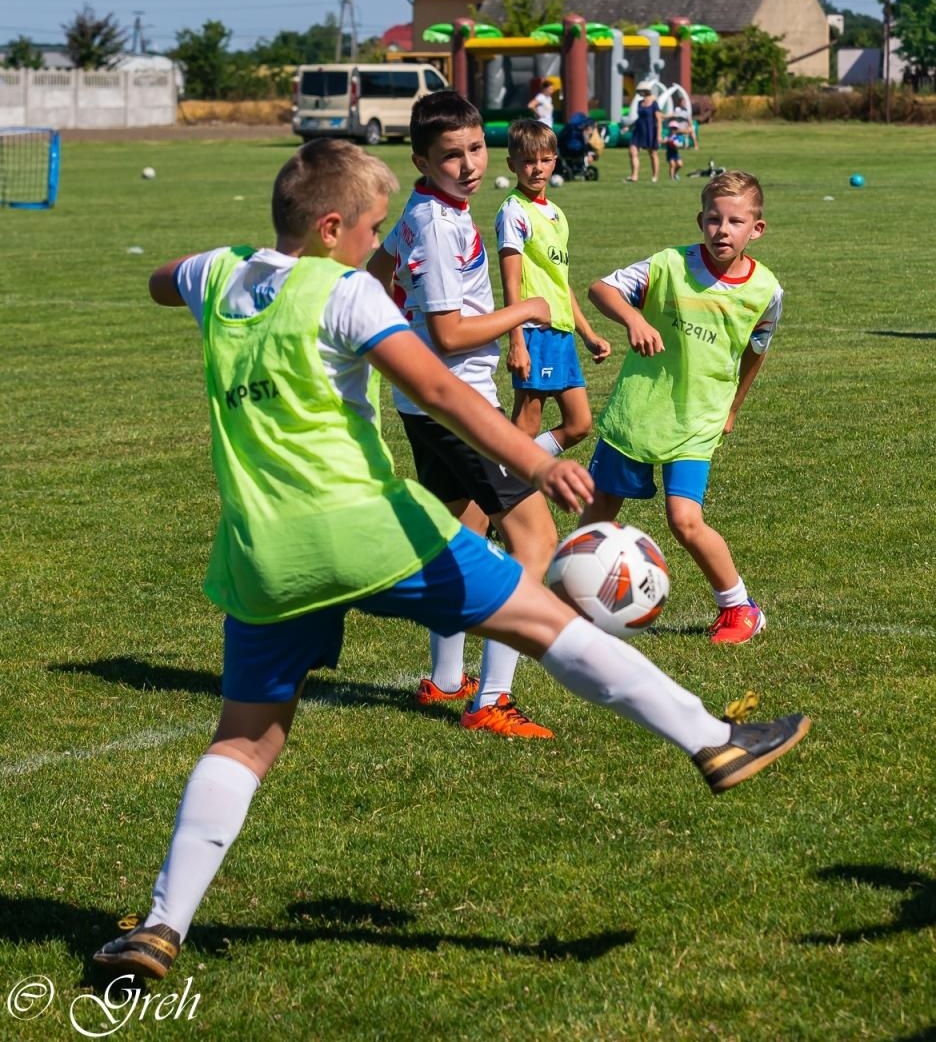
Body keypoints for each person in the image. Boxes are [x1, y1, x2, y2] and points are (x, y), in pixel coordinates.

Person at [91, 139, 811, 984]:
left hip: (261, 552)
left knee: (244, 741)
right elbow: (437, 387)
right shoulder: (346, 290)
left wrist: (230, 269)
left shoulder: (219, 275)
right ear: (329, 229)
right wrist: (539, 463)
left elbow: (160, 279)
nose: (377, 245)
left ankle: (161, 926)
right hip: (365, 527)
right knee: (544, 620)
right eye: (368, 228)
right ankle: (713, 741)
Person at [365, 90, 560, 738]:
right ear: (422, 158)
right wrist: (524, 312)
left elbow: (377, 269)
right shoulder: (442, 227)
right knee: (533, 542)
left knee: (461, 542)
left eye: (476, 148)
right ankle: (492, 701)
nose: (470, 163)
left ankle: (447, 680)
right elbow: (449, 335)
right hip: (461, 404)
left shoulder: (423, 209)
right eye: (451, 155)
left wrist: (400, 329)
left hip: (425, 402)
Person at [579, 171, 779, 646]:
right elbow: (599, 289)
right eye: (713, 219)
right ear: (700, 221)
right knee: (600, 508)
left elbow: (756, 350)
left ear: (757, 229)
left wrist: (733, 408)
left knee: (684, 519)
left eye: (735, 221)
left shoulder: (766, 291)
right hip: (638, 411)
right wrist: (631, 318)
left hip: (697, 418)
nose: (722, 230)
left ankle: (739, 608)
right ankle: (578, 597)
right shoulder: (668, 265)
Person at [497, 120, 611, 469]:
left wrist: (588, 335)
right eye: (528, 161)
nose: (537, 168)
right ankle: (504, 502)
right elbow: (510, 282)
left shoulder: (557, 214)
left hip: (561, 333)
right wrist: (516, 339)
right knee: (527, 422)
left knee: (580, 424)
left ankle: (509, 478)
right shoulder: (514, 211)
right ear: (511, 164)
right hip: (534, 331)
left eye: (545, 160)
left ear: (556, 160)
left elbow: (561, 283)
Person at [627, 87, 663, 183]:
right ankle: (634, 176)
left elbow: (659, 120)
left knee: (652, 154)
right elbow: (639, 118)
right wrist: (629, 126)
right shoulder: (639, 103)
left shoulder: (654, 104)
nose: (638, 93)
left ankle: (655, 176)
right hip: (638, 130)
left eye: (640, 91)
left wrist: (659, 135)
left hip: (650, 131)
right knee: (632, 152)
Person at [664, 114, 697, 182]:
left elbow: (680, 144)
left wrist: (679, 145)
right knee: (672, 165)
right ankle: (671, 178)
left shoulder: (677, 137)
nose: (674, 130)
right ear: (670, 128)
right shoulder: (668, 136)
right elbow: (664, 141)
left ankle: (675, 173)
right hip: (670, 153)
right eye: (672, 128)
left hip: (676, 153)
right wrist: (668, 142)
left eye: (675, 128)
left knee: (680, 164)